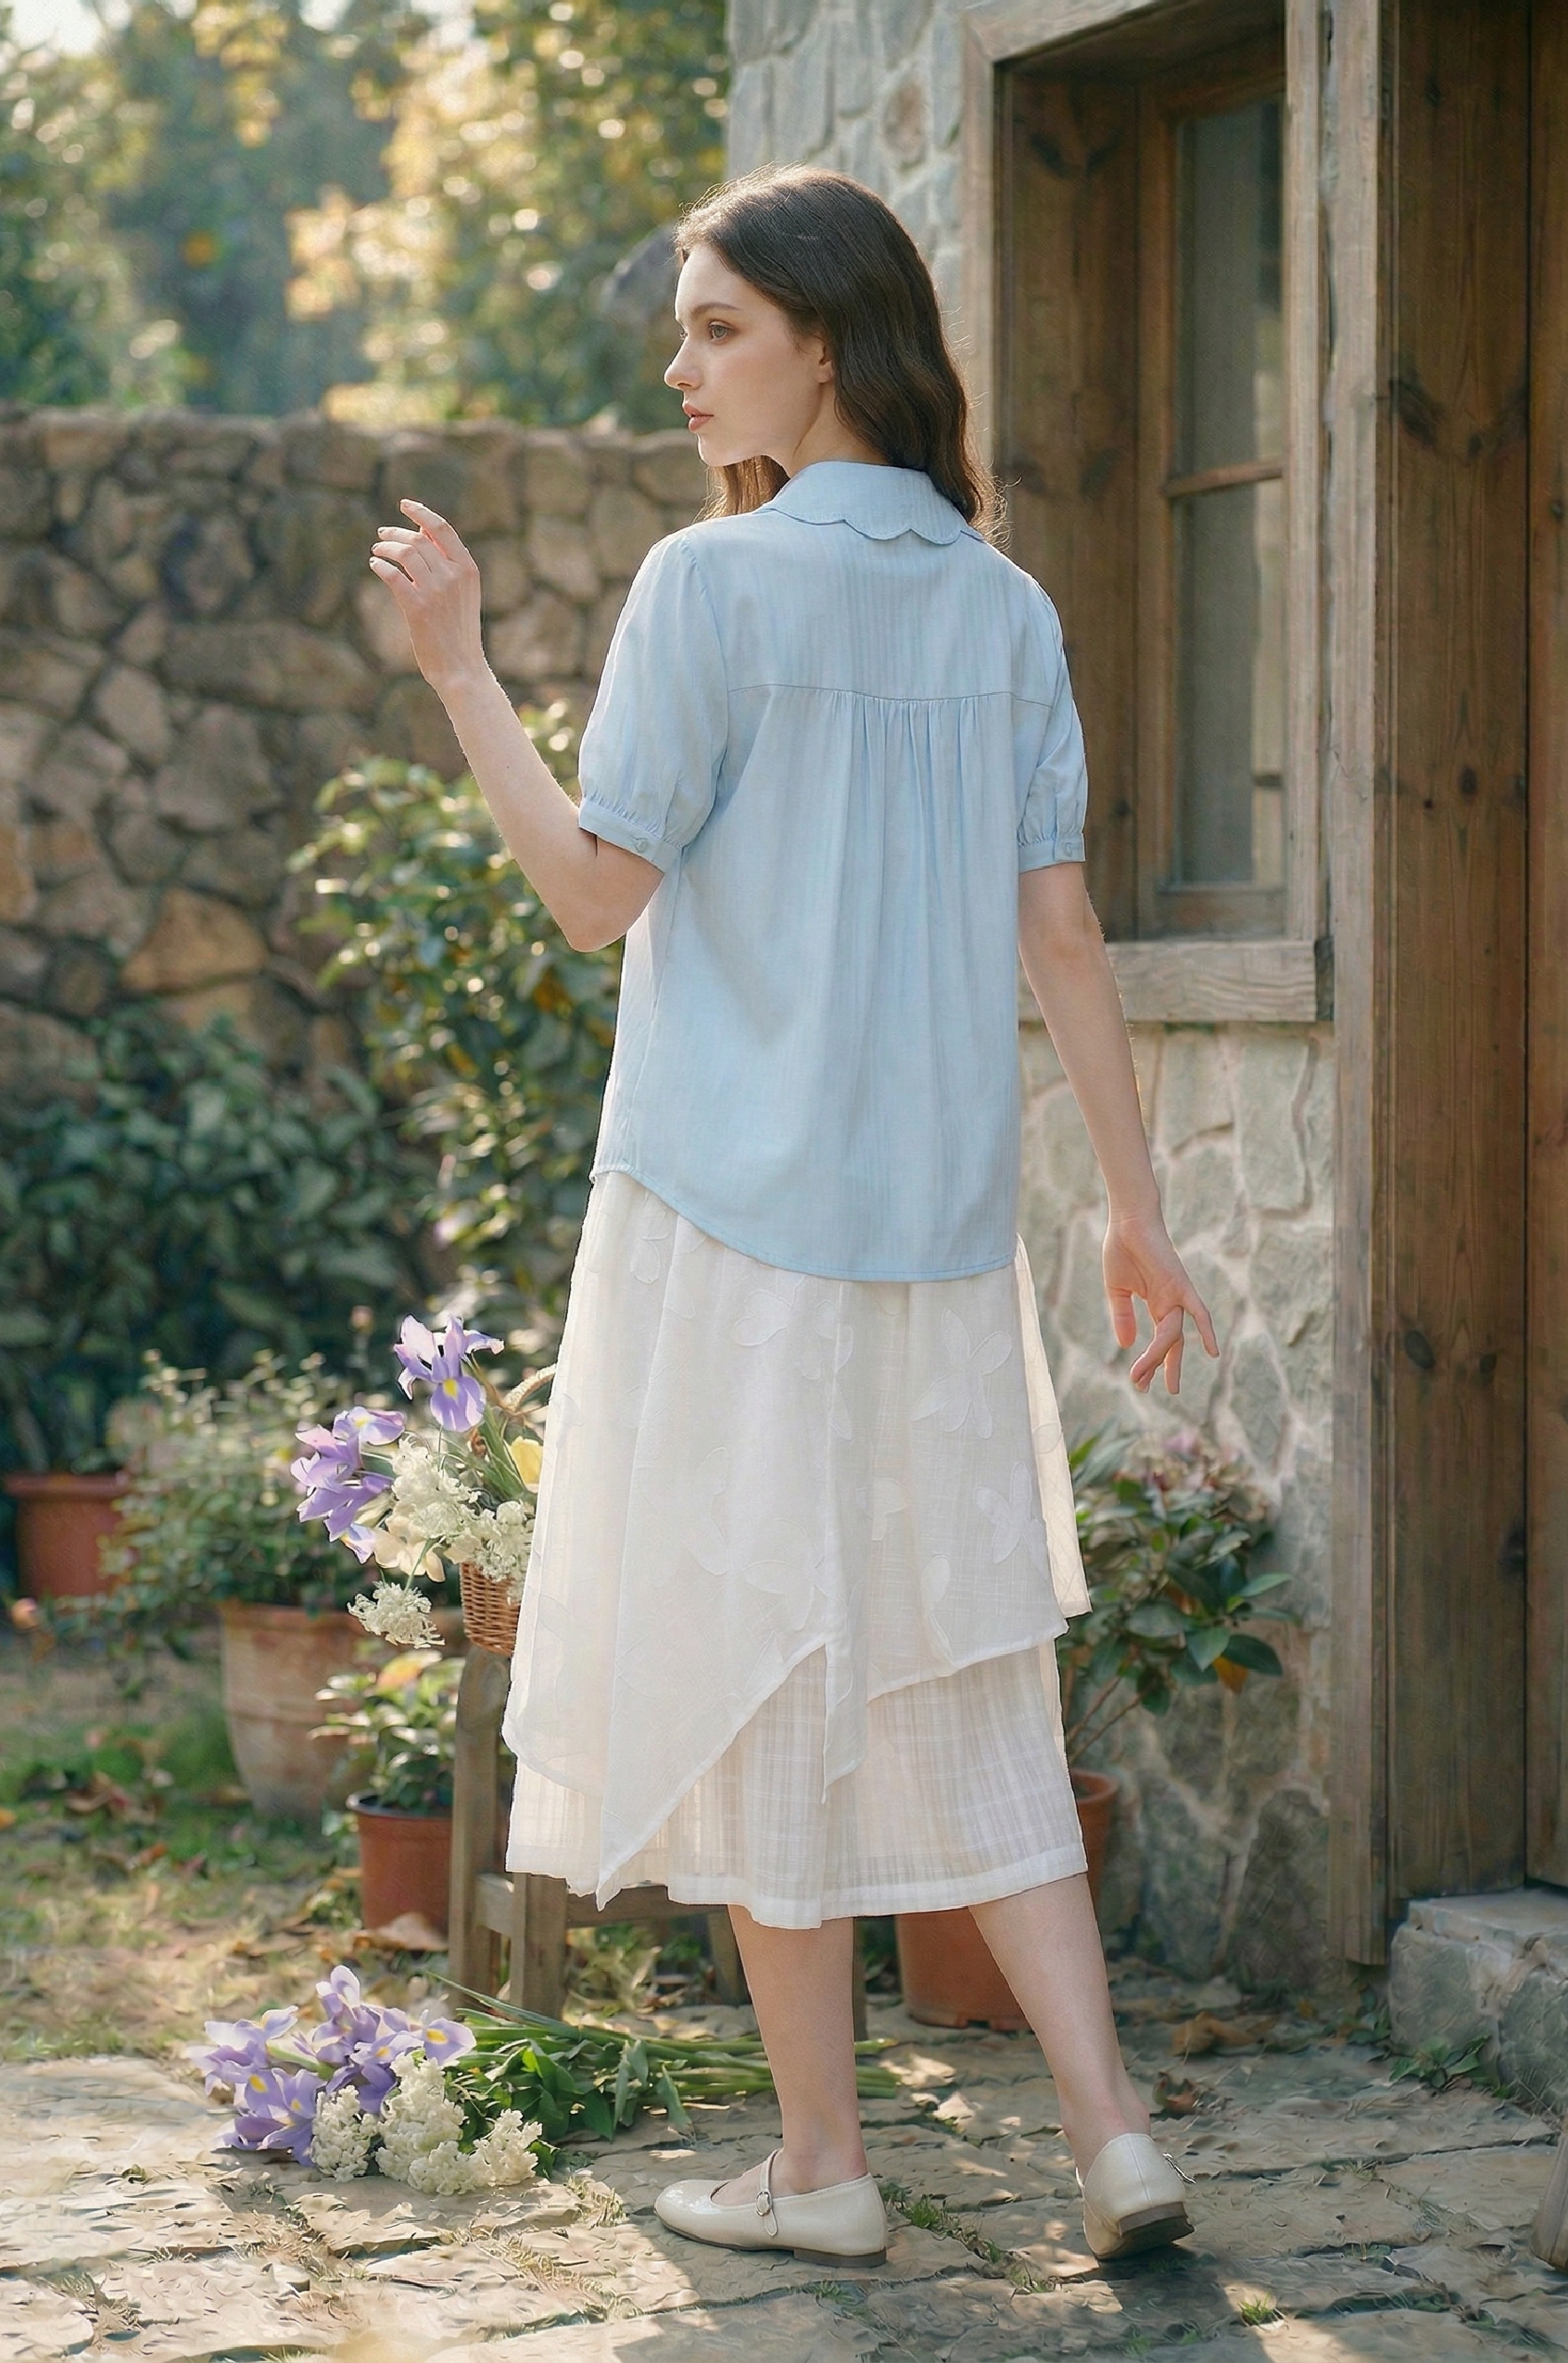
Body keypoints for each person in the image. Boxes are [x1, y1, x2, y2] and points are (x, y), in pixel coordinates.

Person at [369, 163, 1218, 2268]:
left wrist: (461, 670)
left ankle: (825, 2170)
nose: (681, 369)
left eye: (716, 327)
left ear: (826, 342)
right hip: (933, 1249)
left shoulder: (711, 588)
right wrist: (1131, 1211)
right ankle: (1110, 2133)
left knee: (764, 1682)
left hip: (726, 1233)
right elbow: (1067, 937)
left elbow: (591, 895)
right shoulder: (1000, 606)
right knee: (962, 1685)